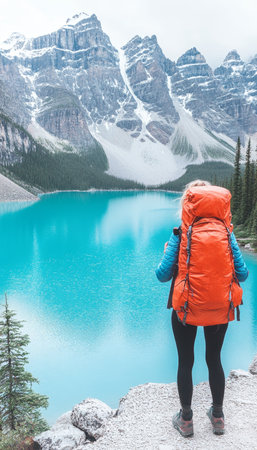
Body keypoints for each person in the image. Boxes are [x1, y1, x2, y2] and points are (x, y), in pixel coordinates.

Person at [155, 180, 249, 438]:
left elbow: (162, 275)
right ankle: (217, 417)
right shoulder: (226, 233)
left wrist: (171, 254)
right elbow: (243, 273)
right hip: (219, 308)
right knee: (214, 359)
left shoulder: (182, 233)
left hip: (186, 308)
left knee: (186, 361)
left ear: (188, 205)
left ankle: (186, 420)